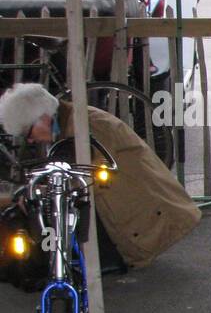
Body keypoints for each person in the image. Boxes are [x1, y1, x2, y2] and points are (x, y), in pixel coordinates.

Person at [0, 85, 200, 270]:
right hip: (138, 210)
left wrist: (33, 194)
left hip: (148, 222)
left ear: (42, 118)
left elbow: (85, 181)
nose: (31, 140)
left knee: (53, 208)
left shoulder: (85, 126)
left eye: (28, 133)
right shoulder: (74, 120)